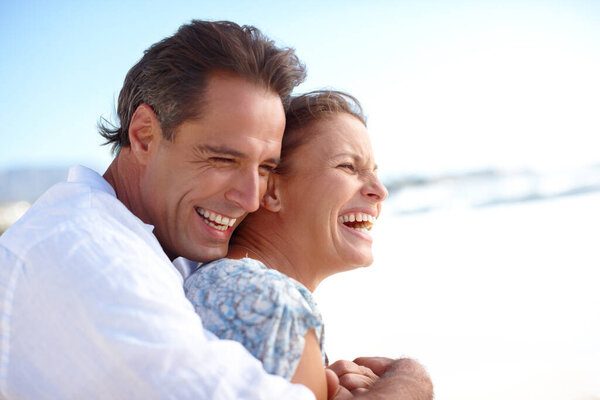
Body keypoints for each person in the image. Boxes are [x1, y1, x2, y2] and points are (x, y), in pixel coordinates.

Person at [0, 19, 432, 400]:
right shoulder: (87, 254)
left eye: (265, 167)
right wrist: (410, 382)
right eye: (223, 159)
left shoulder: (156, 247)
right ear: (145, 135)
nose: (249, 198)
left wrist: (309, 377)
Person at [184, 91, 433, 399]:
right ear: (271, 191)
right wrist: (410, 381)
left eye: (374, 172)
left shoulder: (225, 283)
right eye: (348, 166)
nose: (379, 190)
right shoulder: (270, 301)